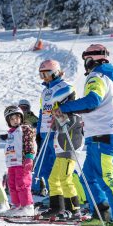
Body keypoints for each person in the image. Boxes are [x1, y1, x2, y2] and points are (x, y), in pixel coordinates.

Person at [58, 44, 113, 226]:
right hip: (99, 135)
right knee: (89, 177)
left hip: (105, 135)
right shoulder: (109, 79)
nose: (85, 64)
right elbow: (95, 107)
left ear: (91, 60)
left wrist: (65, 107)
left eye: (86, 60)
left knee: (107, 177)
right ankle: (101, 214)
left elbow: (93, 101)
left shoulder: (96, 77)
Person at [39, 86, 83, 221]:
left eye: (57, 105)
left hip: (69, 151)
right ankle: (57, 207)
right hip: (60, 151)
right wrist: (55, 118)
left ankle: (74, 210)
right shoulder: (63, 115)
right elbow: (54, 127)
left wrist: (59, 117)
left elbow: (65, 128)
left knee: (65, 179)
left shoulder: (74, 116)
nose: (55, 108)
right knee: (53, 179)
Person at [32, 59, 72, 196]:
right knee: (43, 168)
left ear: (55, 73)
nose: (44, 78)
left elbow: (68, 109)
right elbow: (42, 112)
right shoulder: (45, 91)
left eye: (46, 74)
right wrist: (38, 133)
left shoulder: (65, 87)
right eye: (41, 75)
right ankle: (54, 197)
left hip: (57, 132)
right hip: (44, 134)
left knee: (60, 167)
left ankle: (73, 196)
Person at [2, 106, 36, 217]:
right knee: (11, 184)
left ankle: (27, 206)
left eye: (17, 117)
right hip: (12, 163)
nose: (15, 120)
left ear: (21, 118)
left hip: (22, 162)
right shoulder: (10, 132)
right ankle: (16, 205)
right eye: (11, 119)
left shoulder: (25, 129)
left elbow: (29, 143)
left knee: (22, 184)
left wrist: (29, 157)